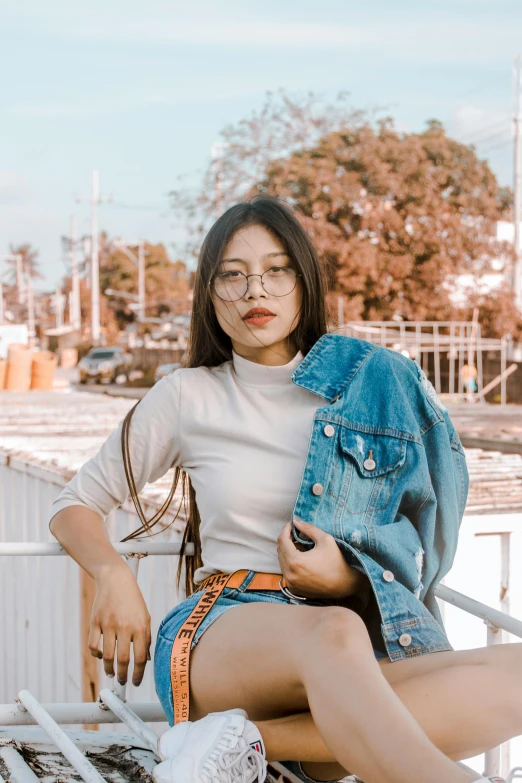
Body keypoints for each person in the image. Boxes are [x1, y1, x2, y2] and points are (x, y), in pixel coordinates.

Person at [48, 196, 520, 783]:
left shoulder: (365, 389)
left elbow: (416, 539)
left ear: (304, 281)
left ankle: (239, 743)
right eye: (233, 275)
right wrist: (113, 574)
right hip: (225, 629)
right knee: (336, 630)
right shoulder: (187, 395)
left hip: (341, 657)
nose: (255, 292)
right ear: (209, 291)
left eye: (277, 271)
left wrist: (345, 580)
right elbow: (74, 504)